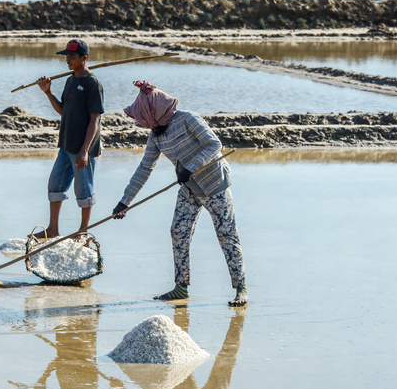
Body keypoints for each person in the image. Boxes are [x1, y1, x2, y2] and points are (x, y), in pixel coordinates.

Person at [111, 81, 247, 307]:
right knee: (178, 232)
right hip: (189, 190)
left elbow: (214, 144)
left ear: (152, 113)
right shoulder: (156, 136)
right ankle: (181, 287)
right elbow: (144, 169)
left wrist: (191, 168)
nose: (141, 122)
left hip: (214, 185)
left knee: (227, 235)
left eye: (141, 117)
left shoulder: (188, 119)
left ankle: (241, 288)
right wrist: (124, 202)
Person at [34, 39, 103, 239]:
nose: (68, 60)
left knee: (84, 190)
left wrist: (84, 151)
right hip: (66, 146)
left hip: (83, 148)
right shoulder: (71, 80)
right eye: (66, 56)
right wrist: (48, 93)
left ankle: (82, 232)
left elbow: (95, 119)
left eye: (72, 57)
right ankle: (53, 229)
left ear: (84, 58)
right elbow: (64, 111)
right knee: (55, 184)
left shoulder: (92, 84)